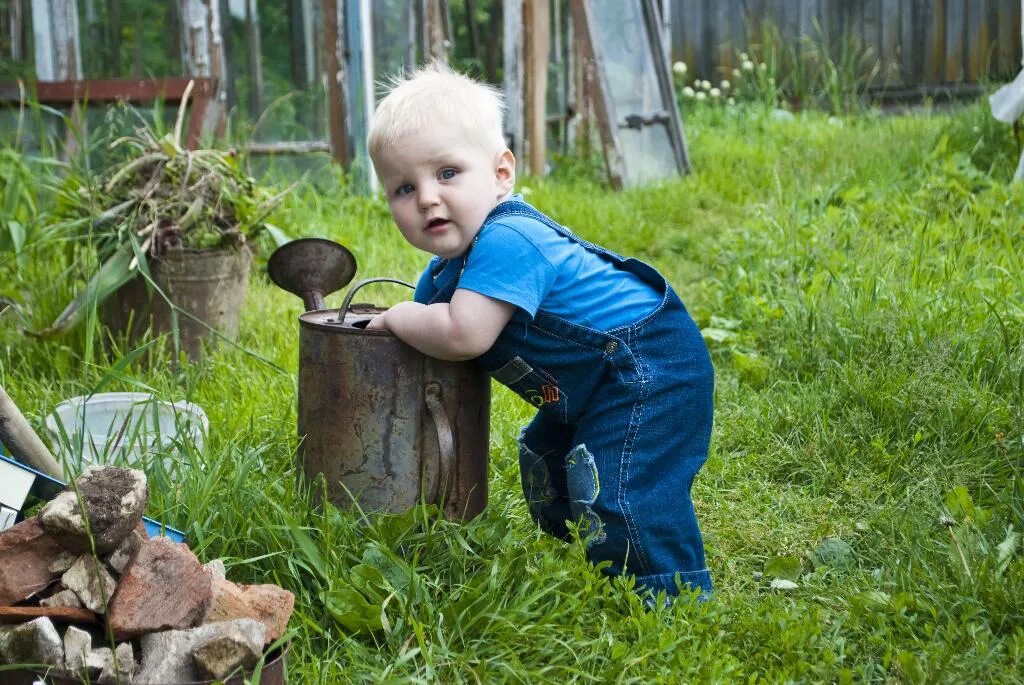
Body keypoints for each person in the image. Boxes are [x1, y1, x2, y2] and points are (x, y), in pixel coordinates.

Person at [366, 63, 714, 600]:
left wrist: (396, 317)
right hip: (594, 384)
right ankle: (586, 560)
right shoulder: (440, 275)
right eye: (404, 187)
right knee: (547, 462)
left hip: (650, 365)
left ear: (501, 173)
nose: (427, 198)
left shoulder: (512, 240)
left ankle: (665, 596)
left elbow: (463, 335)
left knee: (621, 482)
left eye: (448, 173)